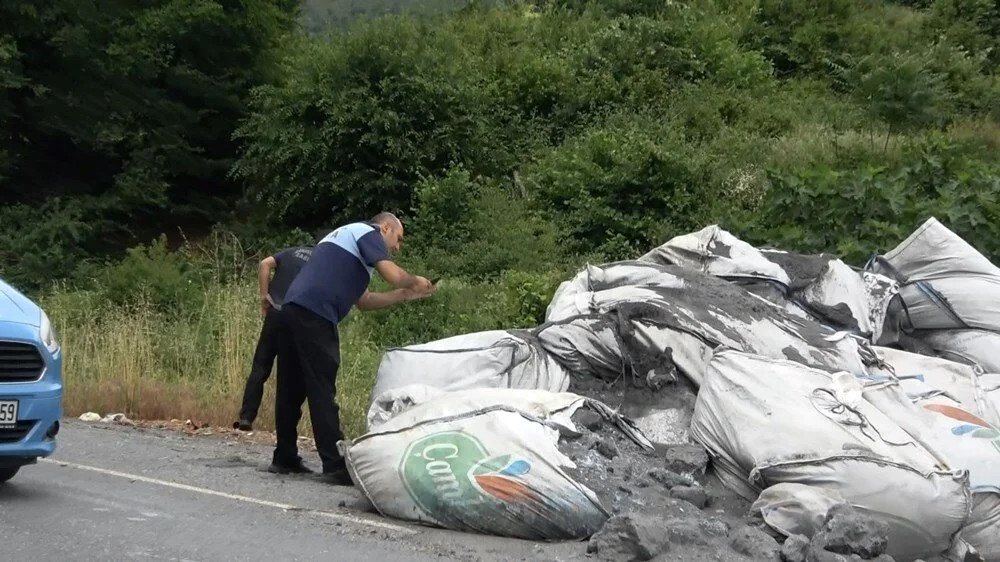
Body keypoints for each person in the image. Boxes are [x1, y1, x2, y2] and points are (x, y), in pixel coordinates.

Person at [268, 212, 435, 485]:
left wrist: (404, 295)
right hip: (316, 314)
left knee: (291, 387)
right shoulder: (367, 232)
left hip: (291, 308)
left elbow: (364, 301)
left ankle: (284, 456)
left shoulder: (347, 245)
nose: (397, 247)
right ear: (385, 228)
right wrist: (413, 281)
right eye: (398, 239)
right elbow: (392, 274)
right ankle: (334, 465)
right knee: (322, 388)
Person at [233, 245, 314, 431]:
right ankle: (285, 429)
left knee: (260, 366)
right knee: (289, 375)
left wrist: (264, 296)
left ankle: (246, 417)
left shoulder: (292, 252)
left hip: (275, 312)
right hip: (297, 317)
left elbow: (264, 264)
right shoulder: (320, 260)